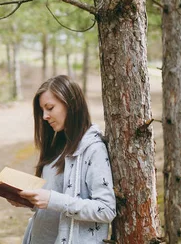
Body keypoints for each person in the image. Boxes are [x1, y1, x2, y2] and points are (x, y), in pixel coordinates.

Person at [11, 75, 116, 244]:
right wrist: (29, 201)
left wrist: (52, 200)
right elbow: (53, 200)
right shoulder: (57, 145)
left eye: (50, 108)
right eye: (42, 110)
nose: (45, 116)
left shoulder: (93, 149)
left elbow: (106, 209)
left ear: (70, 104)